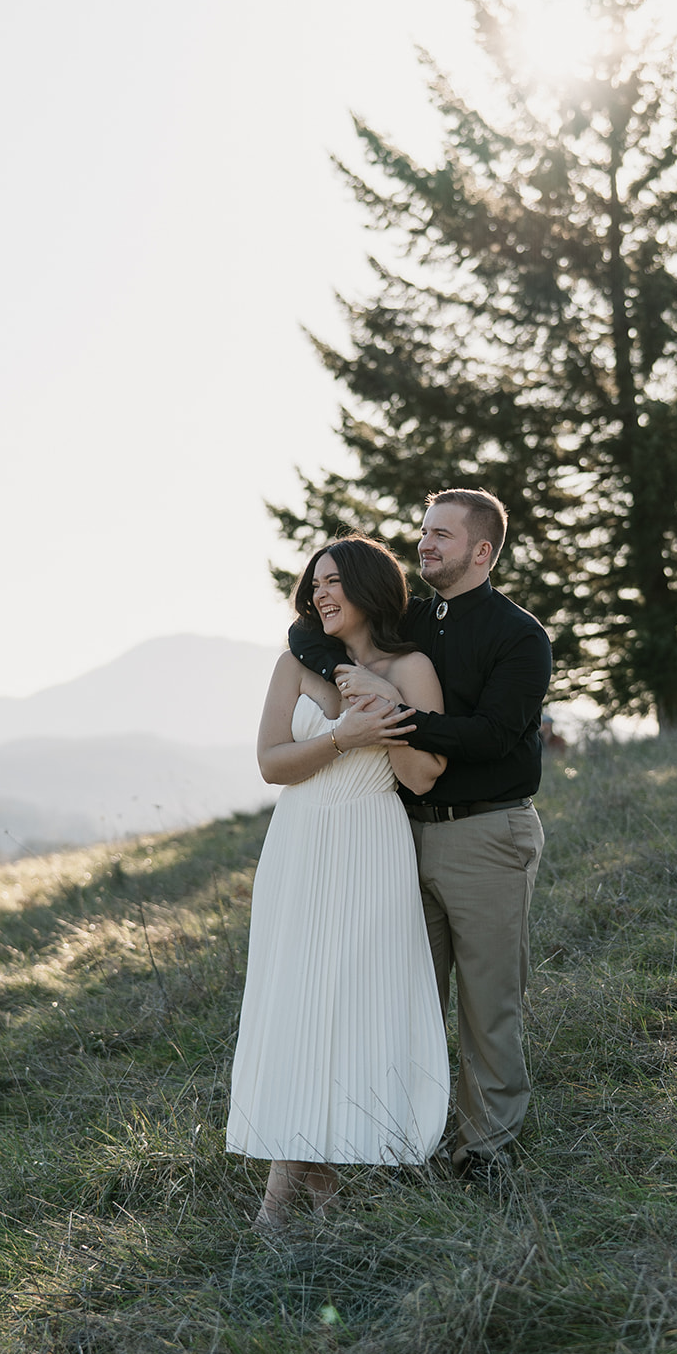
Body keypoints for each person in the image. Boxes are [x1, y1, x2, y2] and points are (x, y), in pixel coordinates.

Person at [290, 489, 552, 1182]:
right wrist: (333, 671)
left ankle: (484, 1154)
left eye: (441, 535)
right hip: (400, 836)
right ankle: (406, 1145)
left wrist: (396, 713)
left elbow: (497, 736)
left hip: (487, 835)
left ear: (482, 551)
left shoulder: (517, 634)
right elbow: (311, 634)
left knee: (488, 1006)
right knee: (404, 998)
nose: (425, 544)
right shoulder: (408, 620)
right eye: (424, 532)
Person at [226, 534, 450, 1228]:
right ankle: (320, 1200)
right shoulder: (295, 663)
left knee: (349, 1004)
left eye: (333, 582)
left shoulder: (412, 667)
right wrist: (340, 738)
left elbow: (421, 776)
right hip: (299, 844)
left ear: (367, 588)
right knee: (295, 1005)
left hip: (370, 842)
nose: (319, 594)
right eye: (313, 584)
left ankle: (288, 1206)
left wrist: (386, 714)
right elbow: (271, 764)